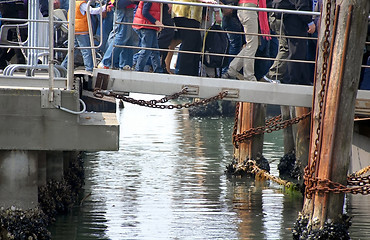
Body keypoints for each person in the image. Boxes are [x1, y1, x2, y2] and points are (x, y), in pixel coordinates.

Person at [221, 0, 270, 81]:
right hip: (248, 8)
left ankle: (232, 70)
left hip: (247, 7)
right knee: (252, 44)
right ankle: (248, 76)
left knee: (252, 44)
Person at [61, 0, 111, 73]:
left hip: (75, 29)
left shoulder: (74, 3)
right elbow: (91, 10)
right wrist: (104, 8)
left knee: (73, 49)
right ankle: (89, 68)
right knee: (86, 51)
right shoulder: (81, 4)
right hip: (81, 31)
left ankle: (63, 66)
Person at [172, 0, 217, 76]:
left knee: (196, 45)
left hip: (194, 14)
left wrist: (204, 11)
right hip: (184, 12)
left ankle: (192, 75)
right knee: (189, 44)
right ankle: (185, 75)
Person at [278, 0, 315, 85]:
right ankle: (291, 79)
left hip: (293, 20)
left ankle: (303, 79)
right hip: (296, 21)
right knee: (296, 51)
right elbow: (301, 5)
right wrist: (309, 21)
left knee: (300, 51)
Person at [98, 0, 137, 70]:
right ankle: (106, 62)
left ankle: (126, 65)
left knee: (127, 37)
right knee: (121, 36)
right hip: (124, 7)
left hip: (123, 6)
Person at [132, 1, 164, 72]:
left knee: (153, 50)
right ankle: (139, 69)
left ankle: (158, 70)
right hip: (147, 26)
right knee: (147, 50)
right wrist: (156, 22)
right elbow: (145, 12)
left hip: (148, 26)